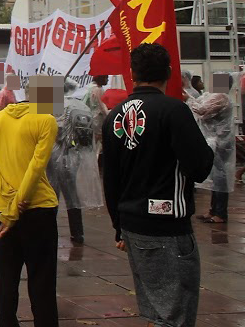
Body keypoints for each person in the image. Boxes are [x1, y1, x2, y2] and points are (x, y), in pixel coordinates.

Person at [102, 44, 214, 327]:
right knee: (175, 312)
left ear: (132, 73)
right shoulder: (174, 110)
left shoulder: (114, 115)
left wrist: (118, 225)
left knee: (156, 307)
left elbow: (110, 178)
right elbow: (200, 167)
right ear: (169, 72)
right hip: (167, 227)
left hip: (131, 224)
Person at [0, 74, 60, 327]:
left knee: (7, 280)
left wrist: (8, 195)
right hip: (38, 209)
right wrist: (17, 204)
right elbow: (36, 167)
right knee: (42, 281)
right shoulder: (46, 120)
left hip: (1, 211)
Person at [46, 100, 99, 245]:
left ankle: (49, 230)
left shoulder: (51, 106)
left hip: (55, 155)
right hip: (73, 156)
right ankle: (77, 233)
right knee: (71, 194)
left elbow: (51, 131)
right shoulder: (74, 105)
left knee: (51, 193)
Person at [189, 85, 234, 224]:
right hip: (216, 141)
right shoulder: (216, 96)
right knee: (216, 177)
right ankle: (213, 210)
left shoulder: (222, 98)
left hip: (220, 142)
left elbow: (202, 111)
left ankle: (220, 213)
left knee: (220, 178)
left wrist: (188, 98)